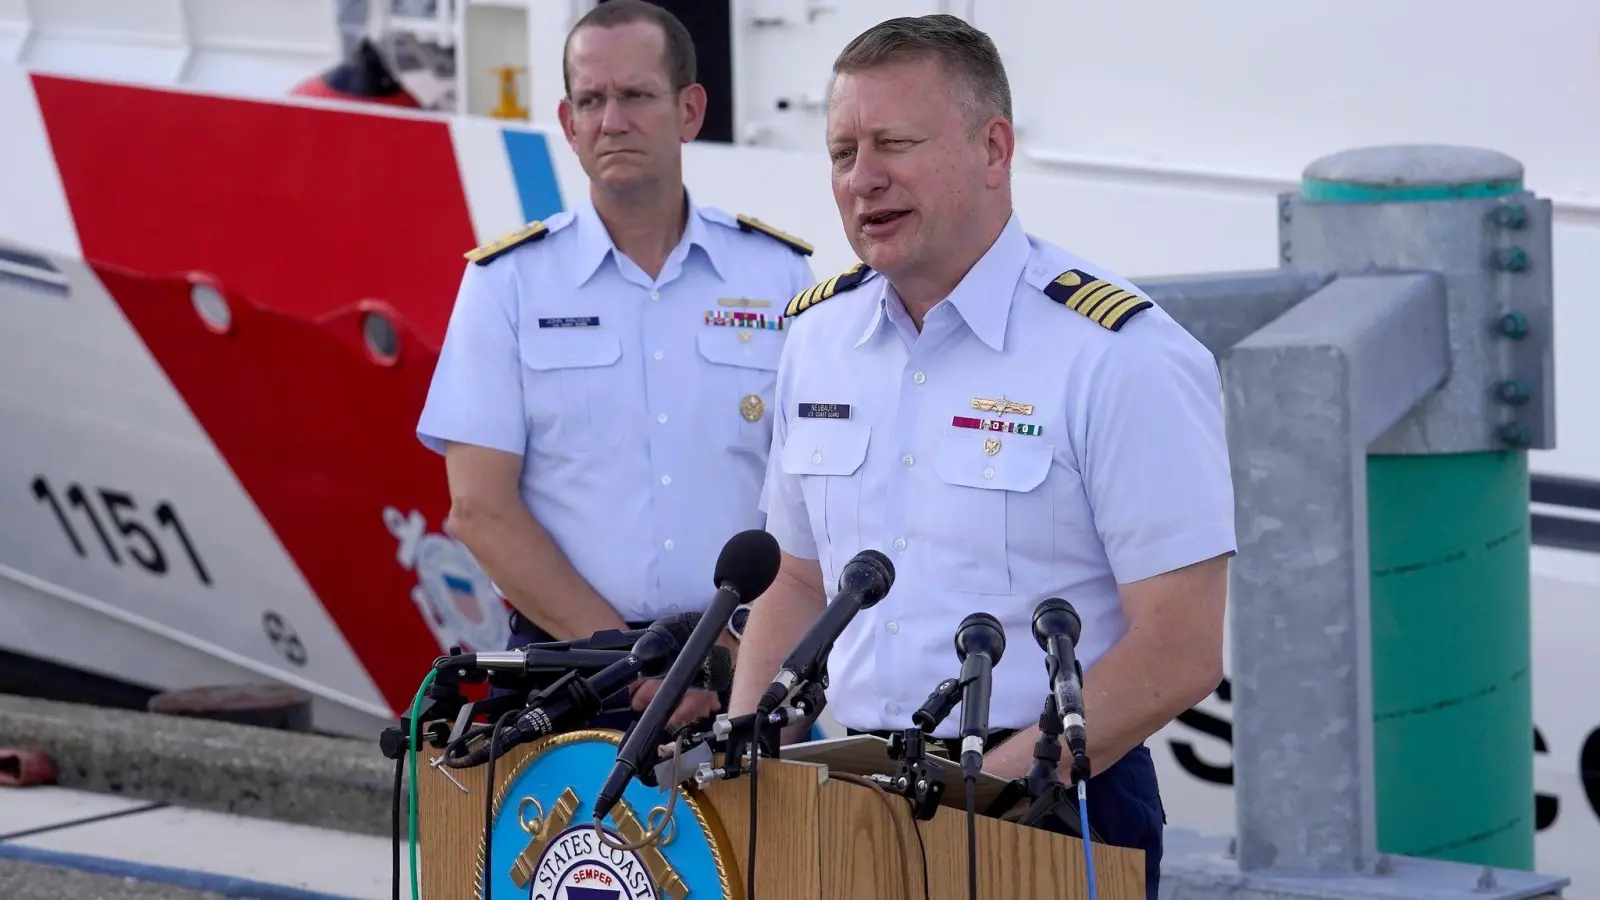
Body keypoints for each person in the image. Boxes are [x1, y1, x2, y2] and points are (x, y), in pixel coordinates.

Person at [726, 15, 1234, 899]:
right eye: (843, 151)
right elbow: (797, 583)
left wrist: (986, 793)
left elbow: (1181, 647)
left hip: (1053, 799)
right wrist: (739, 771)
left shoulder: (1118, 355)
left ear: (993, 148)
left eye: (894, 143)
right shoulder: (817, 338)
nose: (862, 179)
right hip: (847, 794)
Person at [417, 0, 816, 731]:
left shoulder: (781, 277)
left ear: (689, 110)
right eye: (592, 101)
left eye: (636, 96)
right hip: (567, 676)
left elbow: (818, 497)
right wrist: (638, 658)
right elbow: (478, 508)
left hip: (743, 673)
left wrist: (729, 655)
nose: (612, 120)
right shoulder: (506, 283)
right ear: (567, 124)